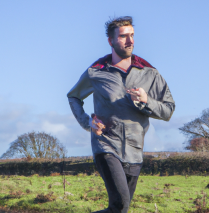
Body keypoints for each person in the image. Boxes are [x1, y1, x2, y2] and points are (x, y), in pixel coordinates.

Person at [67, 16, 175, 213]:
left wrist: (146, 101)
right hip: (106, 145)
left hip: (135, 150)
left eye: (132, 35)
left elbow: (168, 110)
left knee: (120, 210)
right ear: (111, 41)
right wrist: (86, 122)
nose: (130, 41)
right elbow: (73, 96)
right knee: (120, 205)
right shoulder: (96, 72)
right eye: (124, 36)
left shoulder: (150, 73)